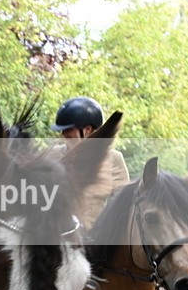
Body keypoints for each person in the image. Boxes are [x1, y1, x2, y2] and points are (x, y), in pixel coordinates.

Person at [51, 96, 130, 229]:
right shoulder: (53, 155)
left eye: (69, 129)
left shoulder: (114, 159)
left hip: (95, 241)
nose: (63, 133)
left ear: (87, 130)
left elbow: (124, 206)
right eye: (62, 130)